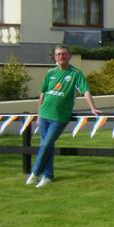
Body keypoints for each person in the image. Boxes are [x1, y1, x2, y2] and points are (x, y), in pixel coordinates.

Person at [26, 45, 100, 188]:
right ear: (55, 57)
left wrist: (92, 107)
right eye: (59, 54)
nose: (61, 57)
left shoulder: (75, 73)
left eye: (64, 54)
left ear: (69, 56)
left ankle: (35, 173)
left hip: (59, 117)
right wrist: (39, 114)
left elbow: (85, 90)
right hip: (44, 115)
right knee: (46, 146)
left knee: (46, 144)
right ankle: (47, 176)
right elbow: (42, 94)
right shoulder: (50, 73)